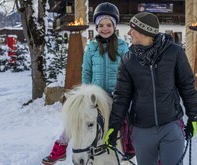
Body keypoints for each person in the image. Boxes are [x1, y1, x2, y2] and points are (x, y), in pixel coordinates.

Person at [42, 2, 134, 164]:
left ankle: (128, 145)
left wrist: (125, 92)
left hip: (116, 96)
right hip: (95, 97)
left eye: (109, 25)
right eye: (101, 25)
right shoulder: (91, 47)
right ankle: (61, 146)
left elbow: (128, 72)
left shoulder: (122, 46)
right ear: (96, 27)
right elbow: (86, 72)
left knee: (128, 118)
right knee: (77, 116)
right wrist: (85, 93)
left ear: (114, 26)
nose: (105, 29)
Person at [104, 12, 197, 165]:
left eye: (132, 29)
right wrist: (114, 126)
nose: (129, 33)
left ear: (145, 32)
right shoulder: (128, 61)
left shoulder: (174, 53)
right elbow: (122, 96)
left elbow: (187, 85)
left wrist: (193, 116)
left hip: (171, 125)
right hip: (142, 130)